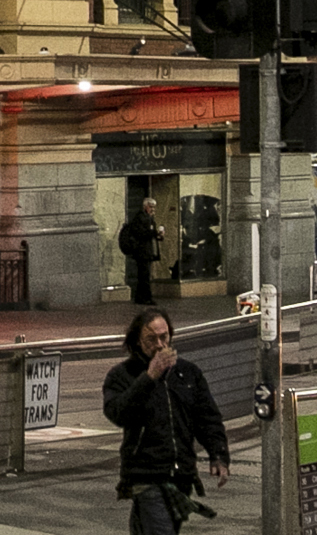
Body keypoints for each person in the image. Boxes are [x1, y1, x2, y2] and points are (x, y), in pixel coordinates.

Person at [103, 308, 234, 534]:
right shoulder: (123, 375)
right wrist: (149, 377)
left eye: (164, 337)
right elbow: (118, 413)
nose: (160, 345)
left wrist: (219, 455)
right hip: (147, 474)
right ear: (137, 341)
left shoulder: (188, 373)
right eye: (151, 339)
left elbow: (207, 417)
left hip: (182, 474)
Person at [118, 196, 165, 307]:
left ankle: (140, 297)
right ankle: (146, 298)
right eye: (151, 207)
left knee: (144, 276)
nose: (153, 209)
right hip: (142, 252)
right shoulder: (140, 218)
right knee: (144, 276)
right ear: (145, 207)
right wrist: (154, 233)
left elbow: (151, 233)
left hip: (148, 251)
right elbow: (141, 234)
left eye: (154, 207)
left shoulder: (149, 218)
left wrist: (158, 235)